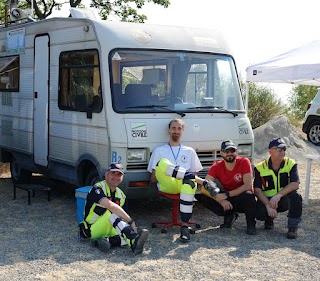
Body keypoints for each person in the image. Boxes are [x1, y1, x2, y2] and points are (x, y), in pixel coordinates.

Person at [147, 118, 219, 242]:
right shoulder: (159, 150)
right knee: (163, 162)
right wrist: (169, 171)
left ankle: (184, 228)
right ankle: (206, 183)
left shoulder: (189, 151)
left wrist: (179, 175)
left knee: (190, 182)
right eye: (174, 128)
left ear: (183, 131)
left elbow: (193, 175)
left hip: (183, 185)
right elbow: (153, 178)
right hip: (167, 184)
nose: (176, 131)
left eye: (179, 128)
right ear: (169, 130)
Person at [79, 163, 149, 255]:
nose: (116, 177)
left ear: (122, 177)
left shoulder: (122, 195)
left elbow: (123, 220)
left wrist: (132, 229)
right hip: (92, 227)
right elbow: (111, 206)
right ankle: (132, 241)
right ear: (106, 175)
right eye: (113, 173)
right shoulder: (97, 188)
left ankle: (105, 241)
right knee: (113, 212)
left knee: (124, 236)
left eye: (119, 174)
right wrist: (131, 221)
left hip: (110, 227)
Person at [200, 140, 257, 235]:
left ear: (236, 152)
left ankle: (251, 224)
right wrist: (221, 200)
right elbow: (204, 186)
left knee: (249, 195)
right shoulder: (217, 166)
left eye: (232, 151)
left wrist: (226, 195)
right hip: (228, 197)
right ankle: (230, 215)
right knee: (204, 197)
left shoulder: (244, 161)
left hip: (240, 197)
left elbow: (248, 185)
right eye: (226, 151)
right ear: (221, 153)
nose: (230, 154)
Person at [254, 137, 302, 239]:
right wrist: (267, 205)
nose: (282, 152)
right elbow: (257, 190)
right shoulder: (260, 167)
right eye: (279, 149)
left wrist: (278, 195)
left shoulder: (291, 164)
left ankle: (292, 228)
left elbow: (295, 184)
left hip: (282, 198)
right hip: (267, 199)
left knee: (296, 197)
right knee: (259, 213)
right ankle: (268, 219)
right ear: (270, 151)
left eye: (284, 149)